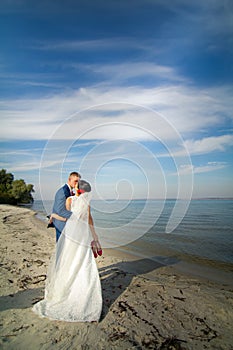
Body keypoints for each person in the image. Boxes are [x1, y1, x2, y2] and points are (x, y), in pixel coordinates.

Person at [32, 180, 103, 322]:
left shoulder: (70, 200)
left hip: (71, 235)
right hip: (82, 236)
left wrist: (53, 216)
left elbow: (66, 218)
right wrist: (95, 237)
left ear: (77, 189)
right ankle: (83, 293)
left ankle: (66, 290)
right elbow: (89, 220)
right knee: (83, 262)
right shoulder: (86, 203)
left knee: (69, 261)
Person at [52, 171, 81, 242]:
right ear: (69, 180)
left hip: (66, 224)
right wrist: (75, 217)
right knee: (61, 247)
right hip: (61, 224)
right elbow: (60, 211)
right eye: (75, 181)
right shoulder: (63, 191)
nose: (77, 184)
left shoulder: (69, 191)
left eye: (78, 182)